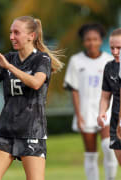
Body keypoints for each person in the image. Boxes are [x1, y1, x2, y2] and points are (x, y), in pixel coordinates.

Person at [0, 16, 63, 180]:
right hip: (5, 130)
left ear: (31, 36)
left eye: (16, 32)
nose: (11, 36)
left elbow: (36, 83)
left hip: (32, 131)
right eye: (11, 32)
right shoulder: (8, 58)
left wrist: (9, 67)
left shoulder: (41, 59)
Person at [64, 23, 117, 180]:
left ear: (101, 40)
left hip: (106, 111)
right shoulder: (76, 61)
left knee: (108, 147)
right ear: (83, 42)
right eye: (88, 39)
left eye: (95, 39)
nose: (92, 42)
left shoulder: (110, 60)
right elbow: (74, 90)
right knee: (90, 153)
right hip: (85, 111)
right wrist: (79, 115)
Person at [100, 28, 121, 165]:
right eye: (112, 48)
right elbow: (105, 96)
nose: (115, 52)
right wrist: (102, 112)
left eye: (119, 48)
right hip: (115, 124)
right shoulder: (109, 67)